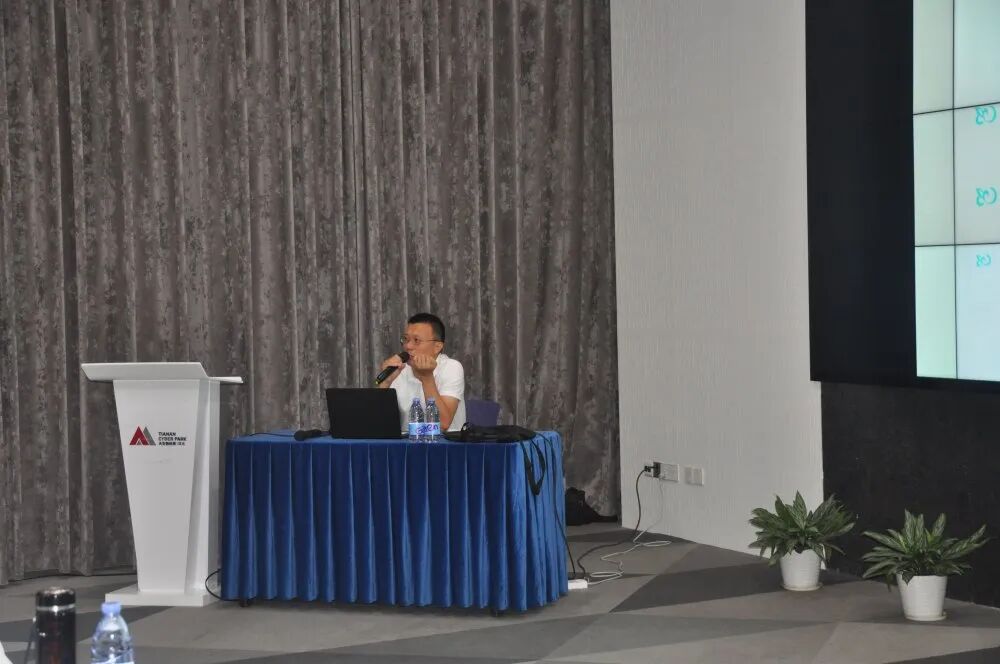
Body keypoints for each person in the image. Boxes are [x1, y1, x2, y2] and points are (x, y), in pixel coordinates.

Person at [378, 313, 466, 432]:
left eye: (416, 340)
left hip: (442, 442)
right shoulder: (399, 369)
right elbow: (377, 423)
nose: (408, 346)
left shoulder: (451, 367)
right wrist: (385, 383)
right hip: (406, 443)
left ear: (437, 347)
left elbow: (442, 424)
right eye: (406, 339)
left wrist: (427, 377)